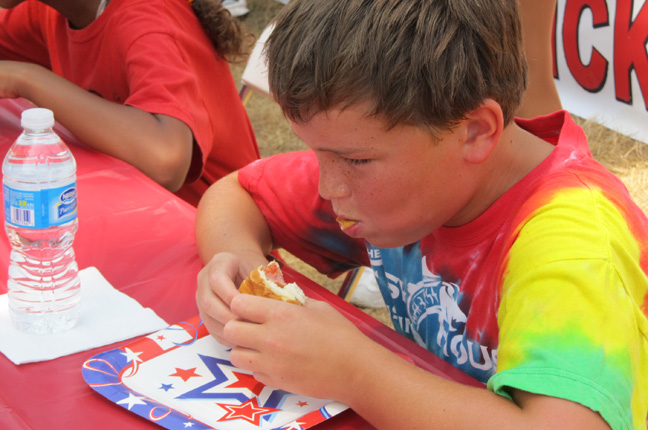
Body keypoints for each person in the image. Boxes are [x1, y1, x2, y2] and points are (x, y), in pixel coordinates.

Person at [195, 1, 648, 429]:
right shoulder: (417, 172)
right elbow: (236, 195)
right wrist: (238, 270)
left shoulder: (572, 245)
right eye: (319, 154)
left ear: (475, 132)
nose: (327, 187)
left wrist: (356, 371)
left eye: (354, 161)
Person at [0, 0, 260, 207]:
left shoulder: (149, 21)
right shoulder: (54, 10)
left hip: (211, 247)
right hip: (127, 215)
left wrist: (25, 79)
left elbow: (166, 160)